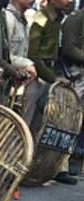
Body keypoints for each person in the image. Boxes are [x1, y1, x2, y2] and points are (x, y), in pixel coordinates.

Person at [27, 0, 82, 185]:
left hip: (50, 72)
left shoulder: (59, 19)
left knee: (42, 125)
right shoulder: (41, 17)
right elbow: (33, 54)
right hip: (38, 76)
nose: (69, 1)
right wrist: (52, 77)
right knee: (27, 123)